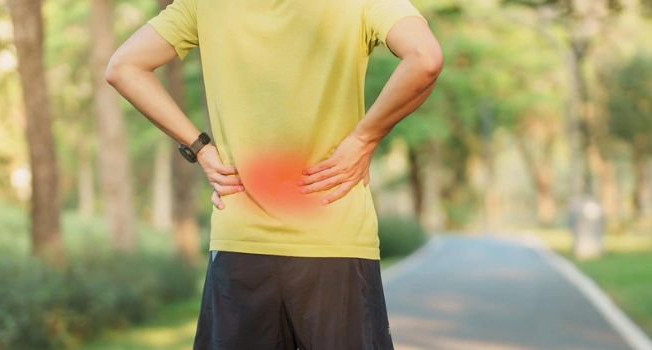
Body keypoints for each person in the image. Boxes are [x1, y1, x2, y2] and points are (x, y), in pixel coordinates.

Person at [105, 0, 442, 348]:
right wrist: (364, 138)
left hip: (240, 243)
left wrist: (202, 150)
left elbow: (124, 67)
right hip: (333, 237)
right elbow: (425, 58)